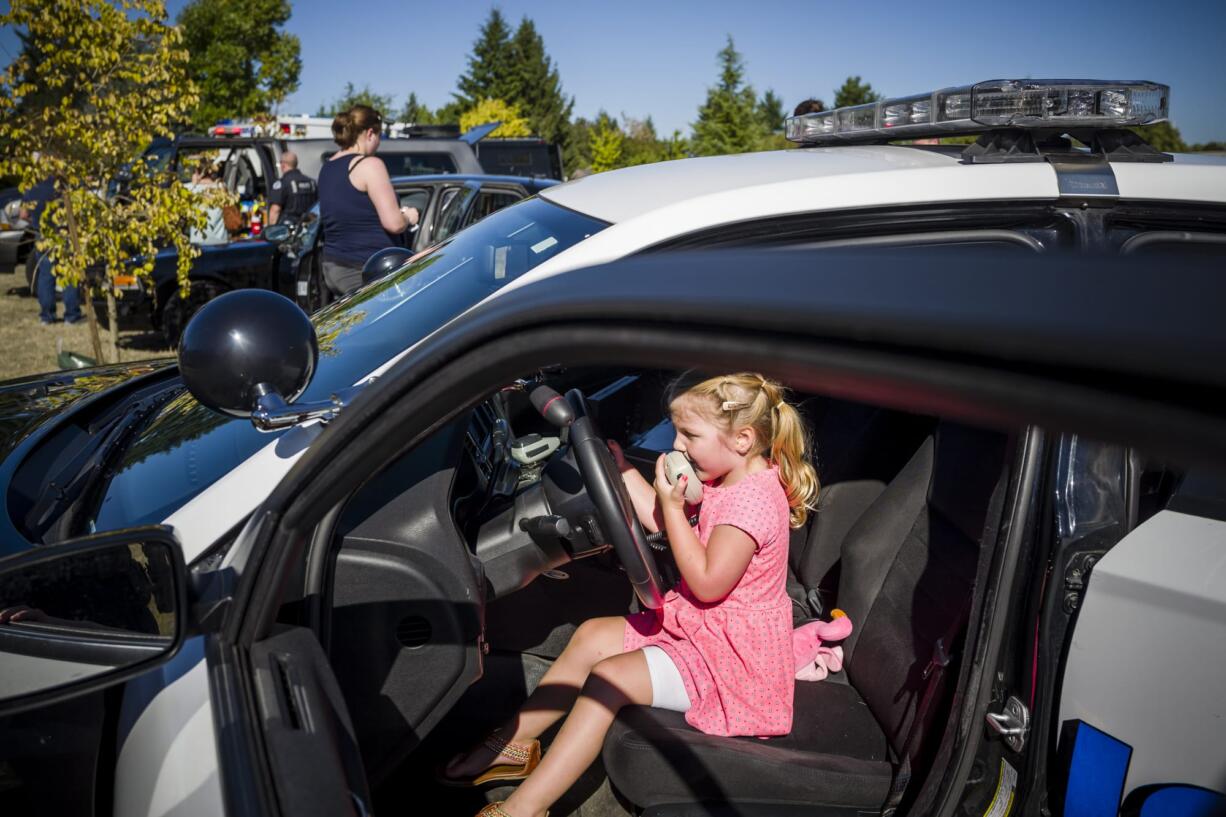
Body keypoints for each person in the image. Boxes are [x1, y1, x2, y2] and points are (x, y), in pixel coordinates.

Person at [445, 373, 820, 817]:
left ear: (742, 439)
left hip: (732, 661)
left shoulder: (751, 504)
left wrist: (676, 507)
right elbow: (668, 528)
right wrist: (620, 472)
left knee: (610, 678)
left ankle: (524, 809)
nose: (677, 446)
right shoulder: (727, 479)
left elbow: (706, 581)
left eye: (689, 435)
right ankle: (513, 742)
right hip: (705, 631)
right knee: (590, 636)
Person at [317, 105, 419, 298]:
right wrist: (408, 216)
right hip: (366, 270)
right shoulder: (370, 165)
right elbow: (394, 224)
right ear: (370, 133)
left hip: (334, 266)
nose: (378, 143)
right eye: (379, 136)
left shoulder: (327, 167)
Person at [21, 179, 82, 325]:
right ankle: (71, 315)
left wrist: (35, 221)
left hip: (42, 234)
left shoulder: (31, 185)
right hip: (64, 233)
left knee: (46, 275)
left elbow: (23, 214)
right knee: (69, 272)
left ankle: (47, 316)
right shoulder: (63, 183)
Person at [267, 150, 317, 226]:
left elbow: (275, 210)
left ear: (283, 164)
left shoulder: (282, 183)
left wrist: (271, 231)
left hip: (288, 229)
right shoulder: (311, 182)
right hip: (309, 228)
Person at [186, 159, 228, 246]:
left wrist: (194, 183)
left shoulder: (190, 189)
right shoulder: (221, 187)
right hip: (221, 242)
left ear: (198, 173)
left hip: (198, 243)